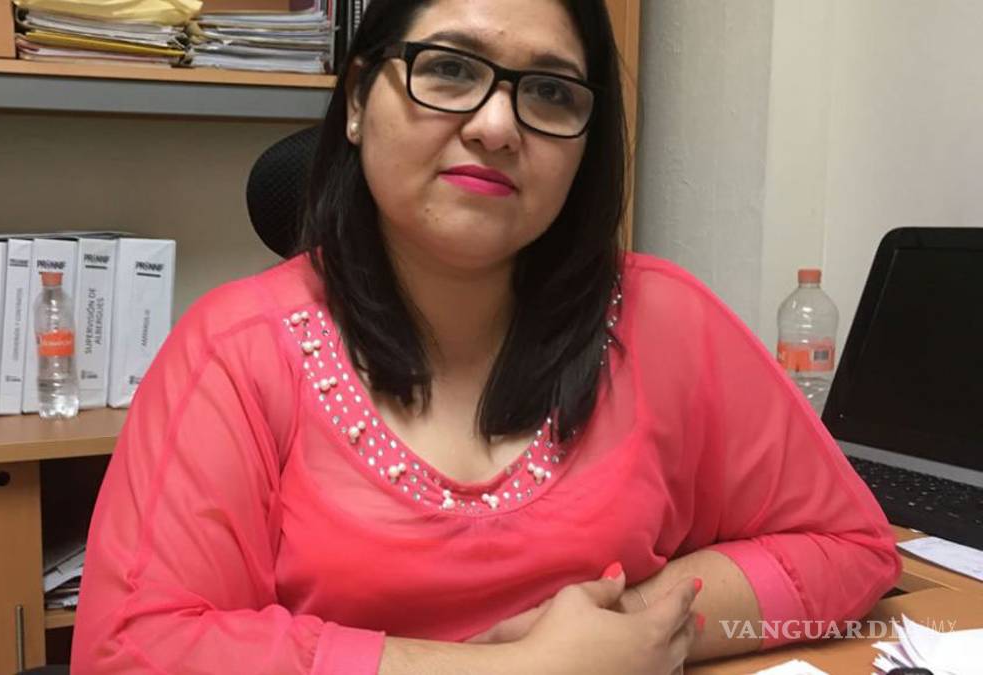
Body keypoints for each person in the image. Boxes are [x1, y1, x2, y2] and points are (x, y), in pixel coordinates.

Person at [71, 0, 900, 672]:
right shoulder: (236, 349)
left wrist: (634, 632)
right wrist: (515, 668)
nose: (498, 125)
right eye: (450, 69)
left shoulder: (664, 319)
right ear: (357, 101)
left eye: (550, 92)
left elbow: (851, 548)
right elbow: (131, 650)